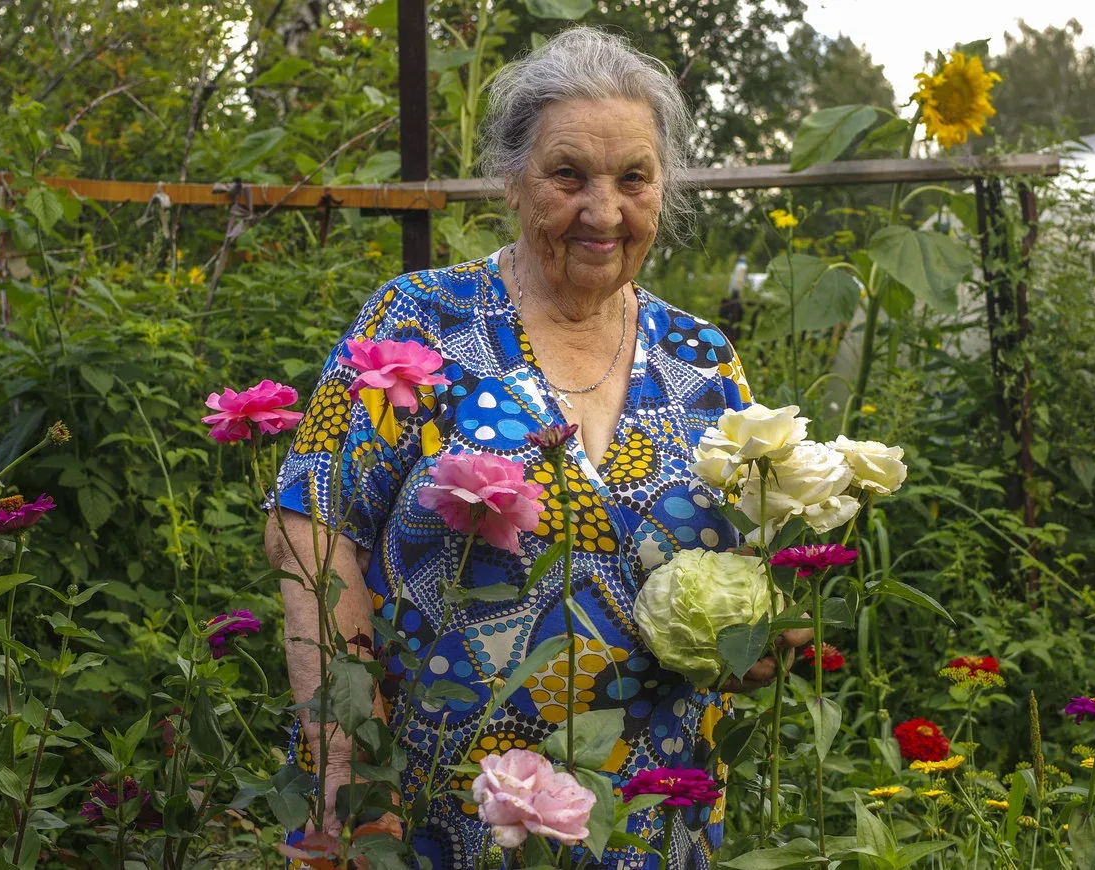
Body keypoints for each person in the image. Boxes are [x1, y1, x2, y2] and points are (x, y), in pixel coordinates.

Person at [267, 26, 810, 870]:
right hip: (429, 815)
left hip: (651, 820)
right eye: (569, 175)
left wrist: (761, 638)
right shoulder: (419, 325)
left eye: (634, 178)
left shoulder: (702, 362)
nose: (604, 210)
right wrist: (342, 768)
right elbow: (311, 528)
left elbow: (746, 560)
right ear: (513, 180)